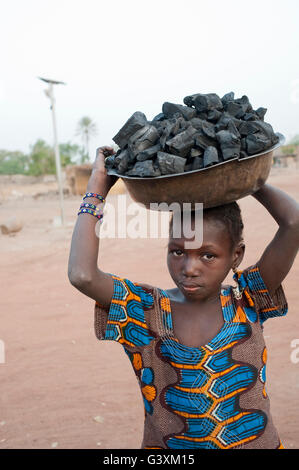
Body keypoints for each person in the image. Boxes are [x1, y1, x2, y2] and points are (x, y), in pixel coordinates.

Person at [68, 146, 299, 449]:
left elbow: (294, 223)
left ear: (236, 255)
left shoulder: (249, 298)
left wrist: (247, 177)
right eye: (177, 251)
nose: (189, 268)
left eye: (208, 255)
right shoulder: (143, 310)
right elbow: (82, 275)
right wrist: (96, 188)